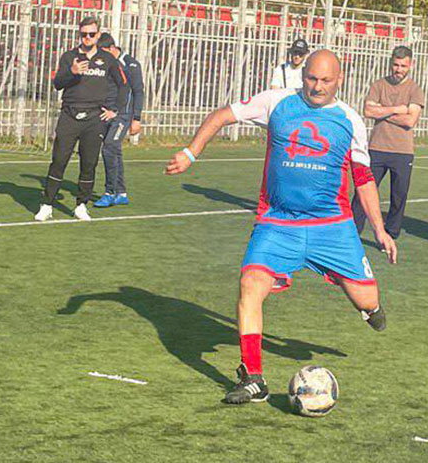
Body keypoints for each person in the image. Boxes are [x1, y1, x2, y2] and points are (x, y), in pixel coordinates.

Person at [165, 50, 397, 405]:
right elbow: (223, 115)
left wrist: (379, 230)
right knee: (250, 284)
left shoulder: (350, 120)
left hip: (331, 227)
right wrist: (191, 152)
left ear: (340, 80)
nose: (317, 87)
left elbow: (363, 178)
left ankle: (366, 304)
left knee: (367, 299)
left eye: (326, 80)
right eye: (311, 78)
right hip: (278, 223)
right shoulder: (276, 102)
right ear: (302, 75)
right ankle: (253, 378)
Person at [34, 16, 127, 222]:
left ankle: (81, 205)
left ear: (98, 35)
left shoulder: (108, 59)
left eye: (91, 34)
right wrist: (72, 72)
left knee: (89, 163)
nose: (87, 37)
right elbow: (58, 83)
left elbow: (123, 85)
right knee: (59, 160)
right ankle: (47, 204)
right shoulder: (69, 57)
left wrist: (115, 110)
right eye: (83, 34)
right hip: (70, 115)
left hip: (95, 118)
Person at [351, 46, 425, 240]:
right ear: (391, 63)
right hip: (376, 148)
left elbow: (410, 120)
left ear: (410, 65)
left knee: (398, 197)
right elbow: (368, 111)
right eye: (396, 65)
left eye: (403, 66)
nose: (398, 69)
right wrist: (398, 109)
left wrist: (382, 111)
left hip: (402, 152)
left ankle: (391, 234)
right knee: (362, 192)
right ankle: (352, 232)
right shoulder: (378, 85)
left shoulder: (415, 90)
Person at [93, 32, 145, 208]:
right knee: (114, 151)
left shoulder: (130, 64)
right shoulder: (105, 64)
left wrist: (136, 118)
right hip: (107, 113)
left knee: (109, 147)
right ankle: (121, 193)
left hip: (123, 115)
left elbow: (138, 92)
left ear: (112, 48)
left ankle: (109, 192)